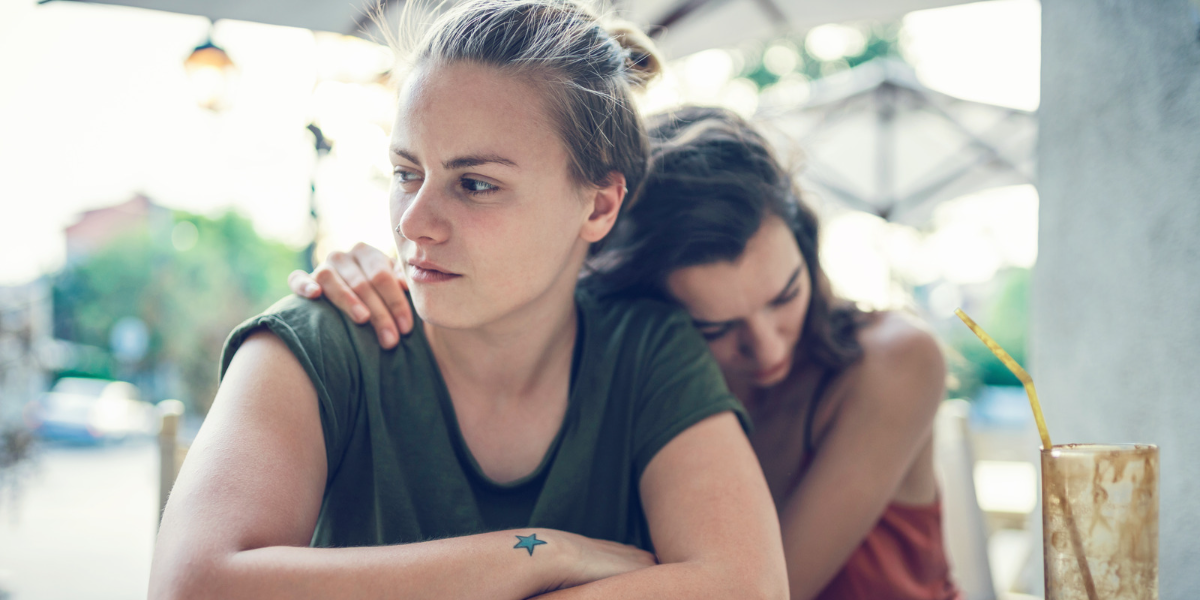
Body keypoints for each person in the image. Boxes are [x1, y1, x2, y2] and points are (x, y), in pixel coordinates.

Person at [149, 4, 788, 599]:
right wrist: (535, 555)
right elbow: (193, 584)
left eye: (476, 184)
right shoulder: (316, 343)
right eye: (406, 173)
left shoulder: (648, 350)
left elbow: (747, 587)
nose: (414, 222)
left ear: (597, 205)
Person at [296, 106, 961, 600]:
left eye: (786, 294)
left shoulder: (893, 359)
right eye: (716, 327)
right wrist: (396, 273)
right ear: (650, 315)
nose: (767, 347)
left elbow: (760, 583)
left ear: (807, 247)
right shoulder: (630, 365)